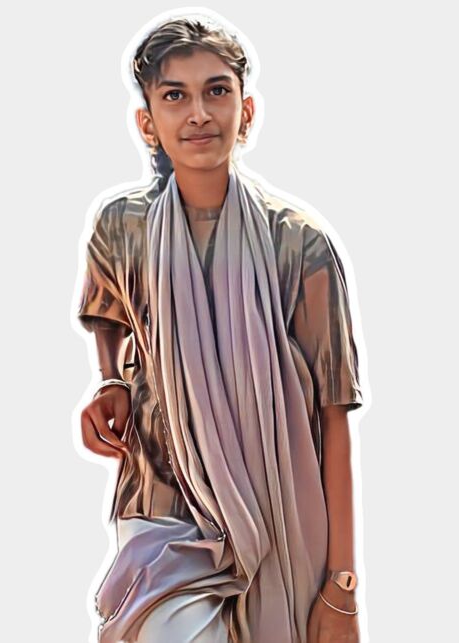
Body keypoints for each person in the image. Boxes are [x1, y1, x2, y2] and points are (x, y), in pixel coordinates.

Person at [76, 13, 367, 643]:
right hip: (163, 509)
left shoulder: (300, 244)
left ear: (247, 110)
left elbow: (332, 416)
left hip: (280, 517)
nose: (199, 113)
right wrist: (109, 381)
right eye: (174, 96)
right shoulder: (121, 226)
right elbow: (111, 317)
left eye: (216, 91)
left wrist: (341, 586)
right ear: (147, 123)